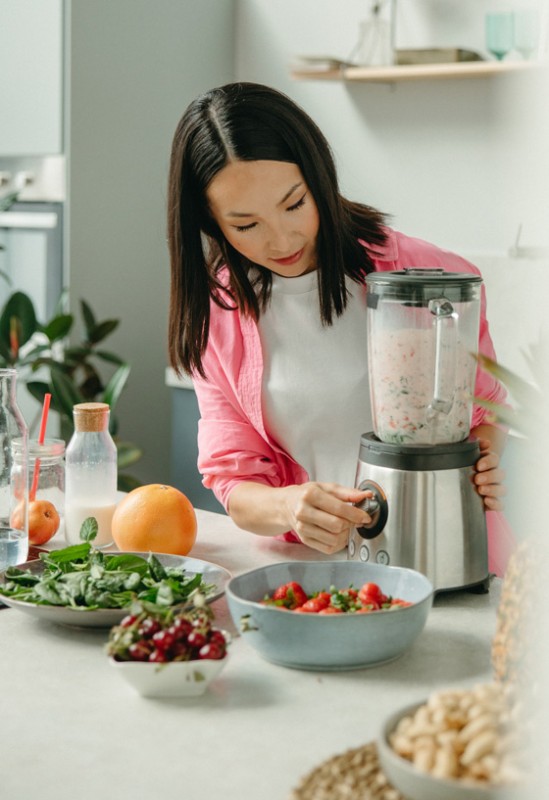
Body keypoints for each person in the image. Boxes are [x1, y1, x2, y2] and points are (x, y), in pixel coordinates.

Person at [167, 81, 515, 576]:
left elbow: (484, 408)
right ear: (210, 223)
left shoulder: (422, 274)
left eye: (294, 204)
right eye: (246, 225)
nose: (282, 238)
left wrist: (481, 463)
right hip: (323, 574)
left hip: (455, 563)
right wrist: (290, 506)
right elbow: (232, 480)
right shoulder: (218, 313)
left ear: (318, 177)